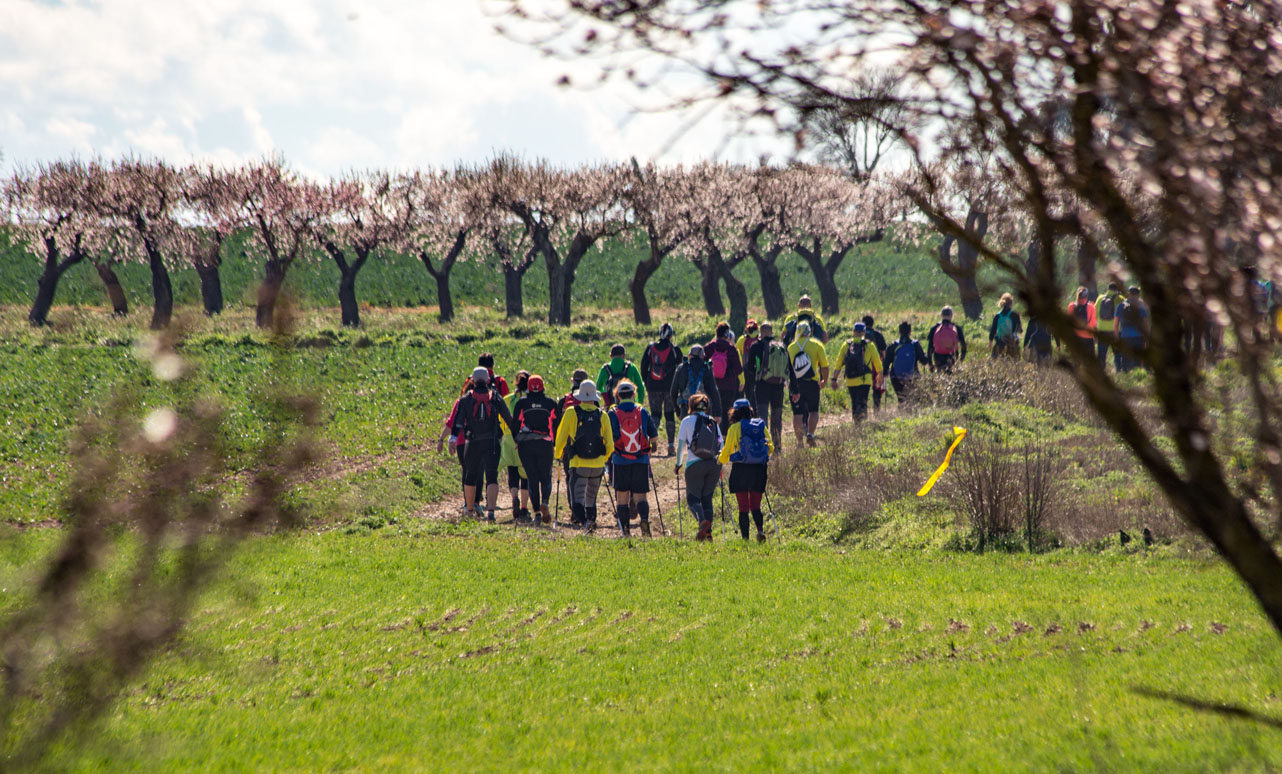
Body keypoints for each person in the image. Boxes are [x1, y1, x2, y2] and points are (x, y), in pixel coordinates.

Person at [450, 367, 518, 522]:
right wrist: (517, 438)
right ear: (488, 380)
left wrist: (452, 438)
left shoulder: (466, 399)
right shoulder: (495, 397)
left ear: (472, 381)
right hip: (492, 442)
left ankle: (469, 510)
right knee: (492, 476)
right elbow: (508, 418)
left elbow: (458, 422)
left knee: (470, 475)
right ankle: (491, 512)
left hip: (472, 442)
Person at [553, 379, 614, 533]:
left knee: (577, 500)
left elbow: (561, 437)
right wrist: (603, 460)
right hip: (597, 466)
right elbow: (610, 445)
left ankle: (586, 524)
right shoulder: (602, 415)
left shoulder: (571, 412)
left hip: (578, 464)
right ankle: (591, 522)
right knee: (591, 499)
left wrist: (558, 454)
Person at [607, 380, 659, 537]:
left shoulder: (613, 413)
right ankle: (644, 520)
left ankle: (626, 531)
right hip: (640, 460)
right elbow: (654, 437)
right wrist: (652, 448)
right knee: (640, 496)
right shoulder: (642, 411)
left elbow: (609, 437)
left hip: (620, 460)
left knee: (622, 497)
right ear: (633, 394)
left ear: (617, 396)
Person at [719, 399, 773, 542]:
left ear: (734, 412)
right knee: (756, 505)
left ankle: (745, 540)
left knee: (743, 506)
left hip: (741, 469)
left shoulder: (734, 428)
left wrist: (720, 459)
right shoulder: (760, 425)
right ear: (750, 410)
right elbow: (771, 447)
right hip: (759, 469)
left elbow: (726, 452)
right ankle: (760, 530)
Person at [673, 393, 724, 541]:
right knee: (707, 499)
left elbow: (681, 446)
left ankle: (702, 522)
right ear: (706, 407)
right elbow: (720, 444)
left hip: (694, 465)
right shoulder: (712, 422)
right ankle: (708, 534)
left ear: (691, 406)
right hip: (713, 465)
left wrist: (678, 464)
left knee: (693, 499)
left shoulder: (687, 421)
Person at [512, 374, 559, 525]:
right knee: (545, 477)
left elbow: (515, 425)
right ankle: (545, 501)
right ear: (543, 386)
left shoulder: (522, 403)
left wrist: (517, 440)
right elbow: (556, 424)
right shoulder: (550, 403)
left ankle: (537, 514)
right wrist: (554, 443)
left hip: (526, 445)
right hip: (545, 444)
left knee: (532, 478)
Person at [744, 321, 788, 451]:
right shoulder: (781, 347)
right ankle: (777, 446)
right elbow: (788, 367)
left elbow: (750, 367)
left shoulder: (756, 346)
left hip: (762, 386)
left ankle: (764, 446)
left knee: (762, 417)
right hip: (778, 386)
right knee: (776, 417)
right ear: (772, 332)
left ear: (761, 333)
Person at [640, 323, 683, 456]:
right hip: (670, 387)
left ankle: (650, 442)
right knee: (669, 415)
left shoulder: (650, 348)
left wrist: (647, 381)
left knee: (655, 414)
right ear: (671, 335)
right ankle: (671, 446)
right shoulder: (675, 349)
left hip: (653, 387)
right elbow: (681, 368)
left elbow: (643, 366)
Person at [555, 369, 591, 525]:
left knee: (571, 478)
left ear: (572, 381)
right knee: (587, 478)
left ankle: (575, 511)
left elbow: (558, 425)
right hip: (590, 445)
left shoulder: (564, 400)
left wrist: (558, 448)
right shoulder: (592, 400)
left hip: (569, 446)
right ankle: (586, 509)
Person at [787, 321, 829, 447]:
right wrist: (824, 380)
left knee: (797, 414)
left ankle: (800, 442)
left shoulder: (791, 347)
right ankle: (810, 434)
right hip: (812, 383)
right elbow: (824, 366)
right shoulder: (817, 345)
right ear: (809, 331)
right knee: (813, 411)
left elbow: (787, 368)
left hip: (795, 384)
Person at [831, 322, 882, 421]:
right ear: (864, 332)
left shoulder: (846, 345)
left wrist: (834, 379)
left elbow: (838, 363)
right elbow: (877, 362)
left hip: (851, 380)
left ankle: (856, 423)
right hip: (865, 379)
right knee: (863, 401)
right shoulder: (869, 345)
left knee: (854, 402)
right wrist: (880, 375)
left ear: (853, 332)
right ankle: (863, 424)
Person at [499, 370, 532, 523]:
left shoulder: (507, 399)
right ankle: (524, 508)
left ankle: (514, 497)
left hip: (509, 439)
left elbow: (501, 419)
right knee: (525, 475)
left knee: (512, 471)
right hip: (526, 439)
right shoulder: (531, 400)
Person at [704, 321, 744, 433]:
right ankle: (725, 437)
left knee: (711, 411)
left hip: (711, 385)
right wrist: (741, 382)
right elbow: (738, 369)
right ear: (727, 334)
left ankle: (711, 435)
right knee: (726, 412)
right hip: (729, 386)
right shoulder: (731, 349)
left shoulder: (709, 347)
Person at [671, 344, 723, 420]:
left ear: (689, 355)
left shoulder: (681, 368)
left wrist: (677, 410)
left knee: (687, 427)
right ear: (702, 356)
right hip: (704, 408)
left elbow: (673, 391)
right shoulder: (707, 369)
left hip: (686, 409)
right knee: (704, 427)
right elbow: (714, 391)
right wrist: (718, 413)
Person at [883, 322, 928, 404]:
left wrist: (884, 373)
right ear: (910, 332)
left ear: (899, 331)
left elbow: (886, 363)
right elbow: (924, 361)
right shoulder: (915, 345)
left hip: (896, 377)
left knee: (901, 399)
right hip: (912, 376)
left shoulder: (893, 345)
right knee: (912, 399)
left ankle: (902, 411)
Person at [1115, 286, 1150, 372]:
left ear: (1128, 294)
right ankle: (1136, 377)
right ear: (1138, 295)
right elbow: (1146, 325)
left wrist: (1117, 339)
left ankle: (1126, 376)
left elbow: (1116, 325)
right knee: (1137, 363)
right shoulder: (1141, 307)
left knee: (1125, 361)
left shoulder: (1120, 306)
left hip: (1125, 337)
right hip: (1138, 338)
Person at [926, 306, 967, 372]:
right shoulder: (957, 328)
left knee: (940, 375)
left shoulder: (934, 328)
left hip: (938, 357)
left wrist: (930, 364)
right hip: (953, 356)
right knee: (952, 374)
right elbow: (963, 345)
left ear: (941, 315)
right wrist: (961, 359)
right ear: (951, 315)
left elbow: (930, 348)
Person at [1094, 282, 1124, 369]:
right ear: (1117, 290)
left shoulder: (1100, 298)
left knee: (1101, 355)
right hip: (1116, 331)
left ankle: (1100, 372)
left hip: (1102, 330)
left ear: (1108, 289)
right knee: (1117, 354)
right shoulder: (1120, 299)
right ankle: (1119, 372)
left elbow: (1095, 314)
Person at [861, 316, 888, 412]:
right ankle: (876, 411)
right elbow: (884, 353)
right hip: (876, 365)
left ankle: (862, 411)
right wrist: (884, 366)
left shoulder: (860, 335)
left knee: (864, 389)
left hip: (864, 365)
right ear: (872, 323)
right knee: (877, 389)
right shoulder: (878, 334)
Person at [988, 293, 1023, 359]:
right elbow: (1020, 330)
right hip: (1012, 343)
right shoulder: (1015, 315)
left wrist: (990, 344)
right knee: (1014, 362)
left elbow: (993, 331)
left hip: (1000, 342)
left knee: (995, 361)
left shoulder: (997, 316)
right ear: (1011, 303)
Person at [1067, 287, 1098, 354]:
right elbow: (1093, 324)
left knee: (1076, 359)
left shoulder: (1071, 306)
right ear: (1087, 296)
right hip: (1088, 338)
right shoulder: (1091, 307)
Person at [737, 319, 760, 408]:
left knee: (742, 393)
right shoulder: (759, 339)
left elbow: (737, 354)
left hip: (744, 370)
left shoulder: (741, 340)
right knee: (753, 394)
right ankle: (754, 412)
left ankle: (742, 410)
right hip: (757, 371)